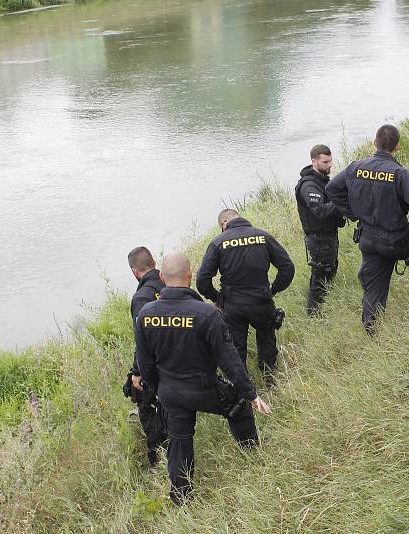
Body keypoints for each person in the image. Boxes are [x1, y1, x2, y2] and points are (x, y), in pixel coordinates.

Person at [135, 253, 272, 505]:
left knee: (179, 440)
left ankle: (181, 498)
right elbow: (229, 361)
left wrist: (157, 391)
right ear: (190, 275)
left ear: (163, 278)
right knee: (238, 408)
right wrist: (250, 395)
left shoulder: (145, 314)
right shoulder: (206, 314)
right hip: (204, 388)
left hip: (170, 391)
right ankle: (254, 455)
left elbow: (145, 363)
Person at [326, 124, 409, 335]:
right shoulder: (399, 173)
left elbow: (332, 189)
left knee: (373, 291)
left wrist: (353, 212)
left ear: (375, 142)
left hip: (368, 240)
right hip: (396, 241)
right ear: (397, 147)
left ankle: (372, 333)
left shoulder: (355, 167)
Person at [195, 209, 294, 385]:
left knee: (235, 347)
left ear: (224, 223)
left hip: (233, 305)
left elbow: (202, 280)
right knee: (266, 339)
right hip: (262, 301)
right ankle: (270, 381)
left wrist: (217, 298)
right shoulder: (263, 237)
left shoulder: (218, 243)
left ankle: (242, 390)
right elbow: (287, 267)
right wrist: (273, 290)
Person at [126, 246, 167, 467]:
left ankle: (157, 458)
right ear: (154, 262)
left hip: (155, 362)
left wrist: (137, 373)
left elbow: (142, 342)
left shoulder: (141, 298)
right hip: (178, 355)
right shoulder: (168, 281)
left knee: (146, 405)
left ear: (135, 271)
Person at [295, 144, 347, 316]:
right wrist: (340, 202)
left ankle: (324, 308)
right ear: (314, 161)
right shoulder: (309, 185)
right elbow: (319, 211)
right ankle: (314, 314)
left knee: (330, 270)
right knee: (320, 276)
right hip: (318, 238)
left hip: (328, 235)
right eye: (325, 162)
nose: (329, 165)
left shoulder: (323, 180)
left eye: (330, 161)